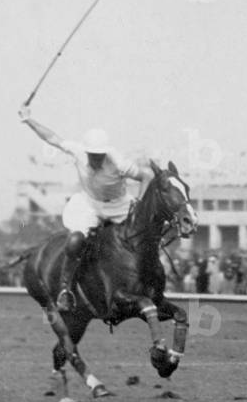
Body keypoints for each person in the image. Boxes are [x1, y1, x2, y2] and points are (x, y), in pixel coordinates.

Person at [19, 105, 155, 311]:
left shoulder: (118, 161)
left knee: (142, 236)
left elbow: (147, 176)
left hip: (119, 205)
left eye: (100, 155)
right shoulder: (78, 151)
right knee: (75, 241)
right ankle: (66, 290)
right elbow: (52, 138)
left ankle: (150, 282)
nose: (96, 158)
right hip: (89, 204)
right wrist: (29, 120)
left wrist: (140, 202)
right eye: (92, 154)